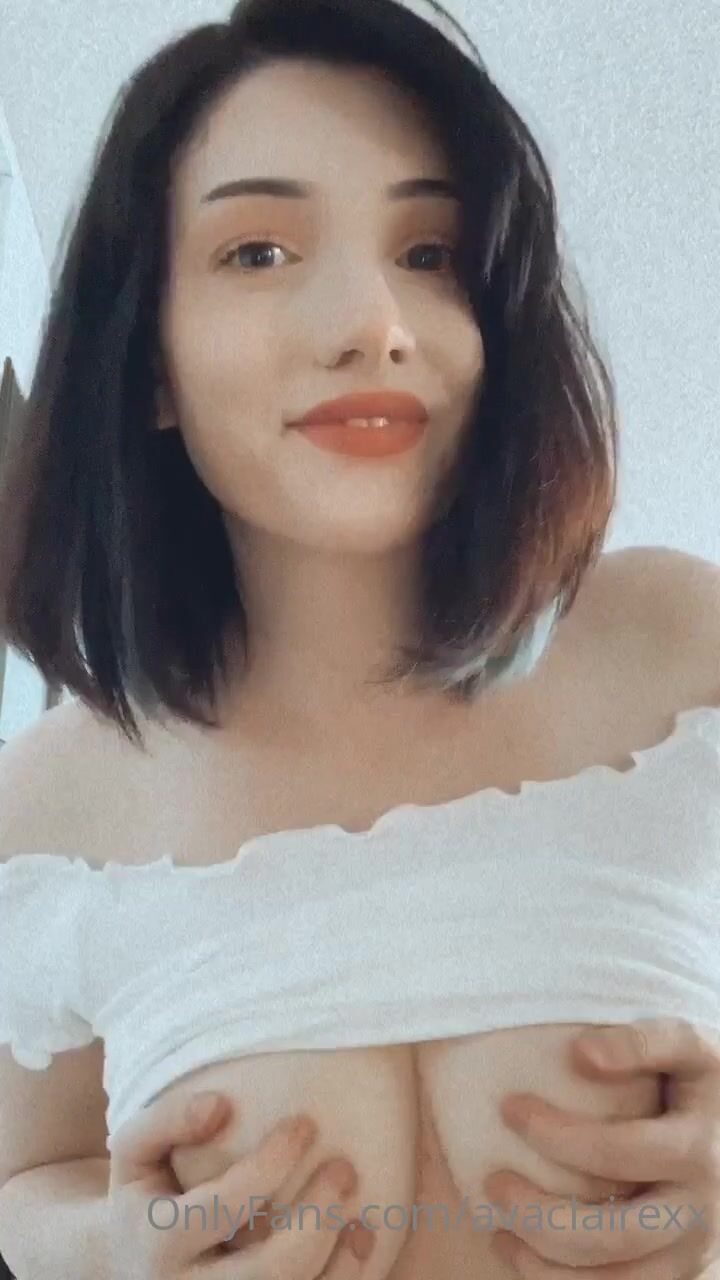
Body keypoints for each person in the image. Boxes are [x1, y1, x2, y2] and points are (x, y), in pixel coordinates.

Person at [0, 0, 718, 1276]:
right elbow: (24, 1175)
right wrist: (106, 1249)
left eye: (430, 251)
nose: (371, 321)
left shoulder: (680, 651)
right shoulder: (51, 802)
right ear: (148, 358)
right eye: (258, 251)